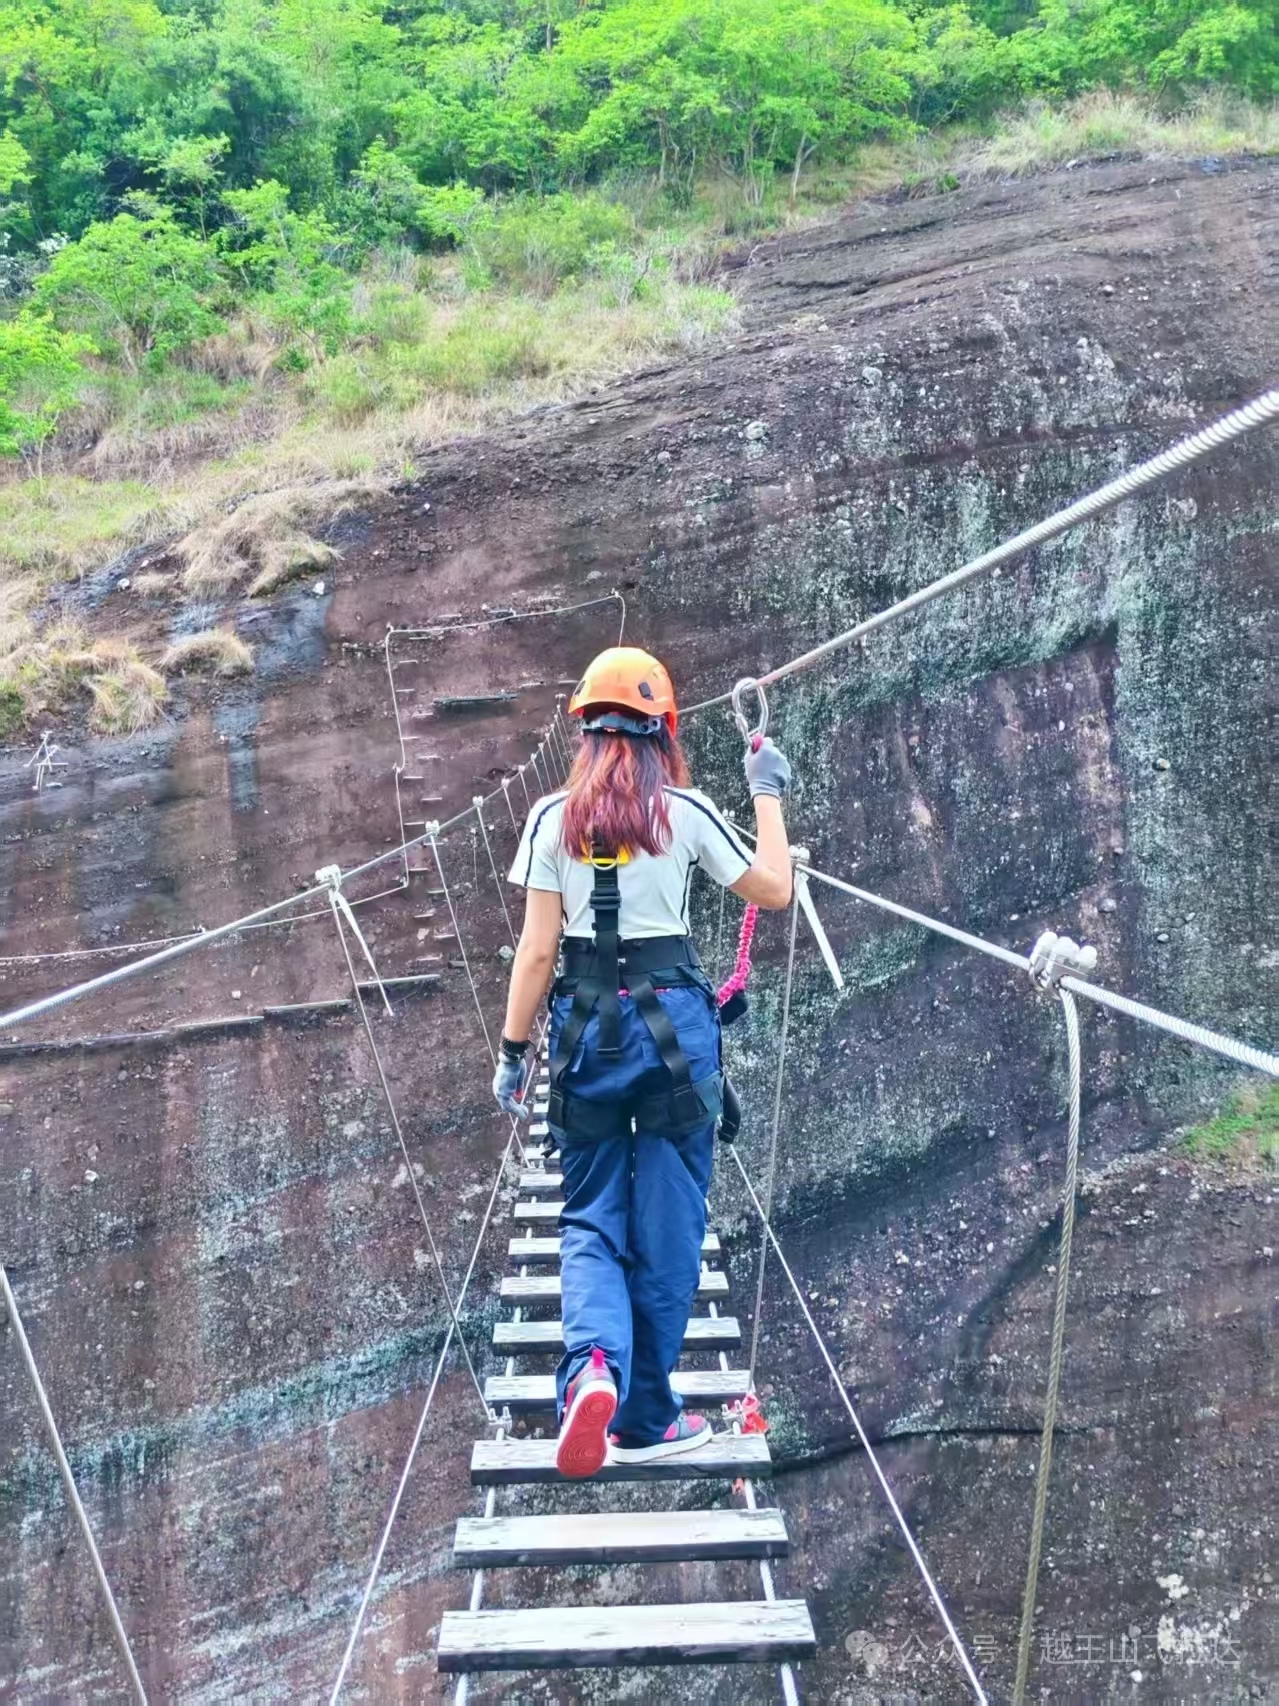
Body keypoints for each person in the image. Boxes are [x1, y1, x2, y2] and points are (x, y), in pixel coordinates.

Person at [492, 645, 794, 1478]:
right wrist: (767, 792)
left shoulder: (549, 818)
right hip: (674, 1040)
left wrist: (513, 1054)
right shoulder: (686, 811)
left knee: (590, 1216)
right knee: (668, 1222)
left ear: (584, 732)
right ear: (664, 729)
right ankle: (647, 1418)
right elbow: (773, 888)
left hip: (586, 1036)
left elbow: (537, 951)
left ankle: (593, 1367)